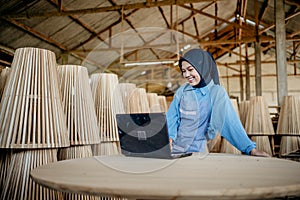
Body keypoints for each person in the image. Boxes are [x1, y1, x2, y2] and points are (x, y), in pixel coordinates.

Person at [166, 48, 269, 157]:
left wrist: (250, 149)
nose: (186, 75)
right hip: (174, 151)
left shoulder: (216, 93)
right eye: (183, 71)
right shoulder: (182, 91)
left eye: (190, 69)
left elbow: (229, 122)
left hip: (197, 153)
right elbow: (172, 118)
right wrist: (169, 139)